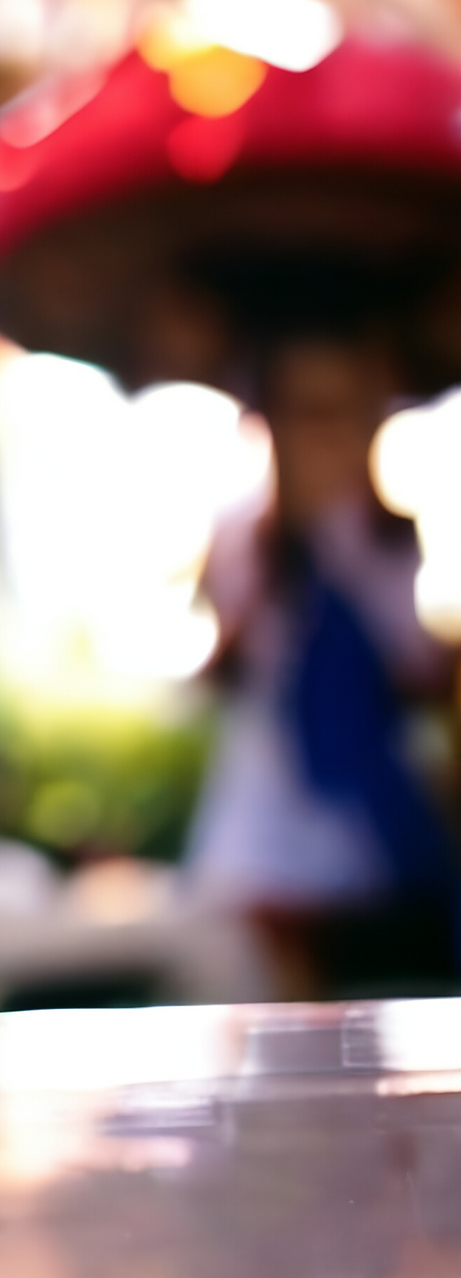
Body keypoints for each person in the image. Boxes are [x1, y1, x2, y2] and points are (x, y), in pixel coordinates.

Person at [188, 336, 460, 998]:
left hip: (367, 838)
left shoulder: (383, 539)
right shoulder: (244, 538)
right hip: (264, 833)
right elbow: (223, 669)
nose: (329, 433)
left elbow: (416, 677)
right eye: (309, 411)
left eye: (346, 410)